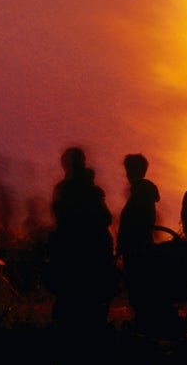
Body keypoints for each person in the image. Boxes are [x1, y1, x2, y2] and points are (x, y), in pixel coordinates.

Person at [47, 146, 117, 346]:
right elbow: (106, 218)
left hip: (72, 255)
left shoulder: (64, 190)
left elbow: (60, 218)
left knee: (70, 306)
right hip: (92, 255)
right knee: (91, 307)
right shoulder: (93, 191)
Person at [116, 153, 162, 332]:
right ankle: (145, 324)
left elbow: (132, 224)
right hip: (142, 245)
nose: (126, 174)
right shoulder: (145, 194)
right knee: (140, 287)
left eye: (128, 170)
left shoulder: (138, 196)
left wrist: (122, 243)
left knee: (137, 288)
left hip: (135, 247)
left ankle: (143, 325)